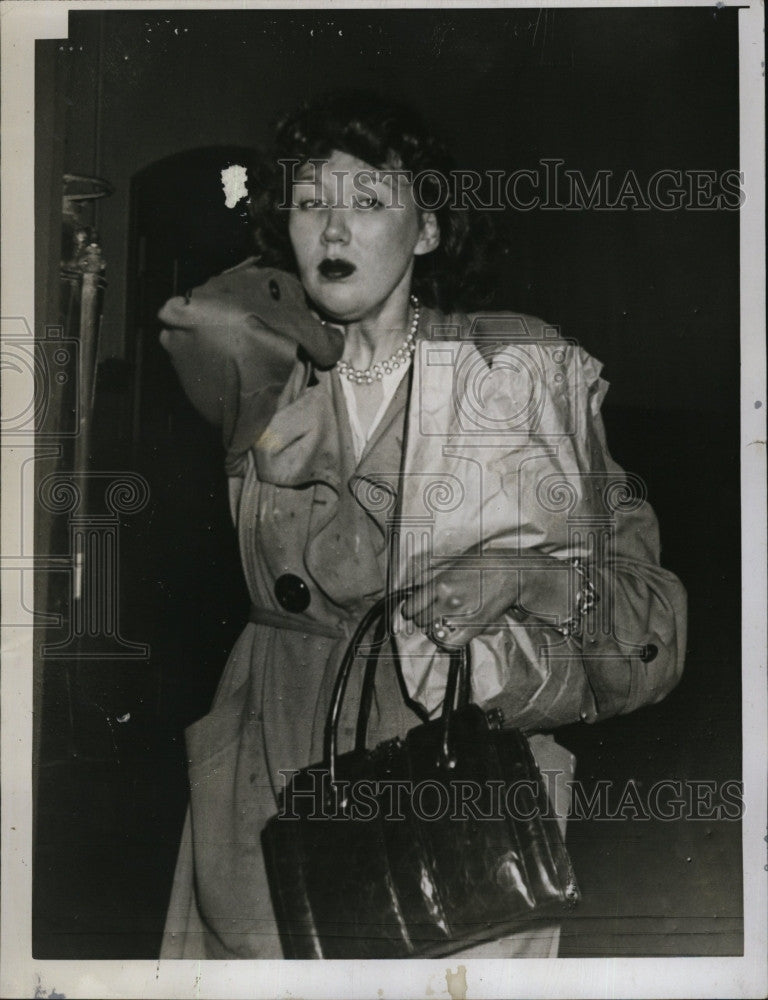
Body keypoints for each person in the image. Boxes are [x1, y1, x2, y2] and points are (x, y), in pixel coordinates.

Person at [158, 89, 687, 960]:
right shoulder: (263, 365)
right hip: (273, 761)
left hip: (456, 783)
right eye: (310, 200)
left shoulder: (513, 374)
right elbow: (195, 320)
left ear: (429, 231)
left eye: (369, 202)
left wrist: (516, 578)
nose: (333, 231)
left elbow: (646, 615)